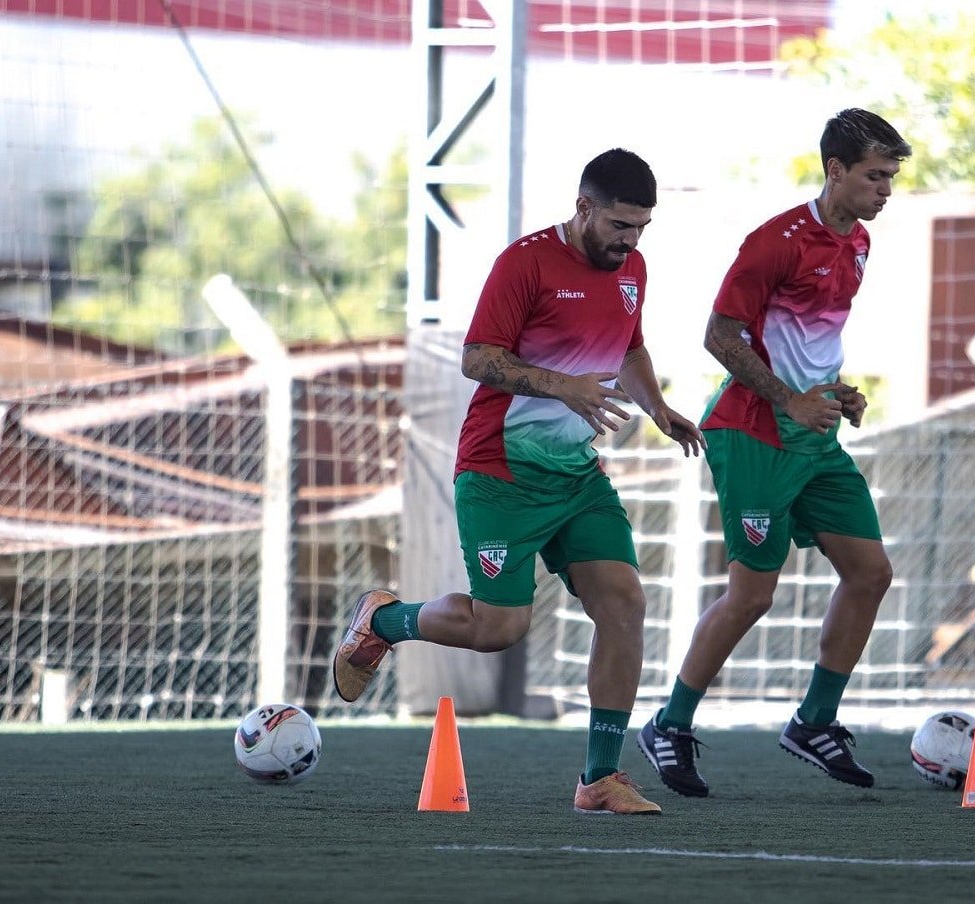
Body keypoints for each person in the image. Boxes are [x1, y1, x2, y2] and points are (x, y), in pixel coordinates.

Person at [334, 148, 705, 815]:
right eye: (621, 224)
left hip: (576, 476)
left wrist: (658, 408)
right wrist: (563, 386)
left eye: (642, 228)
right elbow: (478, 358)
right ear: (584, 206)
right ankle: (383, 620)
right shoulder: (525, 263)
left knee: (623, 603)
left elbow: (629, 346)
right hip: (500, 471)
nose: (631, 240)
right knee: (498, 627)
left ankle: (599, 778)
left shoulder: (632, 269)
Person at [638, 109, 911, 797]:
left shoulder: (859, 244)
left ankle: (813, 722)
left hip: (815, 436)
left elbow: (804, 343)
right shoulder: (775, 242)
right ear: (835, 170)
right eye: (875, 177)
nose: (886, 190)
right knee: (753, 594)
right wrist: (789, 399)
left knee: (871, 571)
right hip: (753, 433)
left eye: (891, 178)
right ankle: (669, 725)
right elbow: (719, 336)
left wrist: (835, 392)